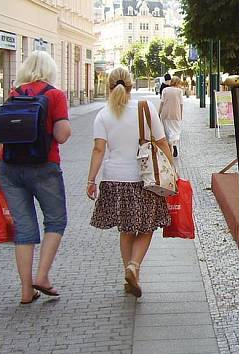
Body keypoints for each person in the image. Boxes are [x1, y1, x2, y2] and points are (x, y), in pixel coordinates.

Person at [86, 67, 173, 298]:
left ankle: (130, 274)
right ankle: (134, 266)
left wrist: (90, 180)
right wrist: (173, 171)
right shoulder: (145, 109)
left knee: (126, 229)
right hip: (144, 179)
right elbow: (163, 142)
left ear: (109, 86)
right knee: (146, 226)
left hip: (114, 180)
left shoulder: (103, 114)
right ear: (131, 85)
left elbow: (98, 149)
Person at [0, 51, 72, 304]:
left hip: (10, 168)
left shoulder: (13, 94)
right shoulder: (55, 95)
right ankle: (42, 276)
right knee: (55, 220)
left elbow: (2, 139)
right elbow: (61, 135)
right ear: (51, 70)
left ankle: (26, 291)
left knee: (24, 229)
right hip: (44, 166)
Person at [158, 76, 184, 157]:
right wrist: (181, 114)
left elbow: (162, 103)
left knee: (167, 131)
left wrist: (159, 113)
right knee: (176, 131)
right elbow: (181, 104)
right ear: (177, 83)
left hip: (165, 114)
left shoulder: (165, 90)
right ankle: (174, 145)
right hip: (176, 114)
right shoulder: (179, 91)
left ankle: (170, 147)